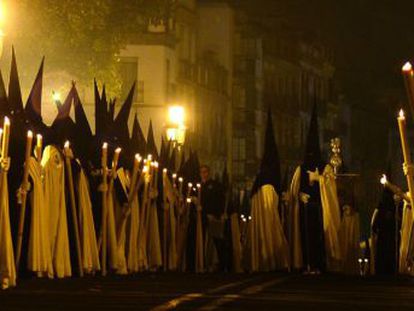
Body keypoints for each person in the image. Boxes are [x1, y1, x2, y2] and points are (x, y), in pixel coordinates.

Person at [200, 165, 226, 271]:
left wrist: (215, 214)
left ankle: (222, 264)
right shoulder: (200, 185)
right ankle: (206, 263)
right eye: (202, 172)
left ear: (209, 173)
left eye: (205, 172)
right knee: (205, 241)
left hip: (213, 216)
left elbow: (218, 200)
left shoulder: (215, 185)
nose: (204, 174)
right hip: (203, 216)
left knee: (217, 240)